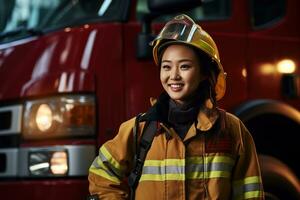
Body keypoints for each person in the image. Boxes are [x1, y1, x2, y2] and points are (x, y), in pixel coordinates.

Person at [88, 14, 264, 200]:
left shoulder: (231, 130)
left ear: (205, 73)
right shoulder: (139, 130)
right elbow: (101, 175)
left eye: (185, 67)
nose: (174, 76)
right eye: (166, 67)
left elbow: (250, 192)